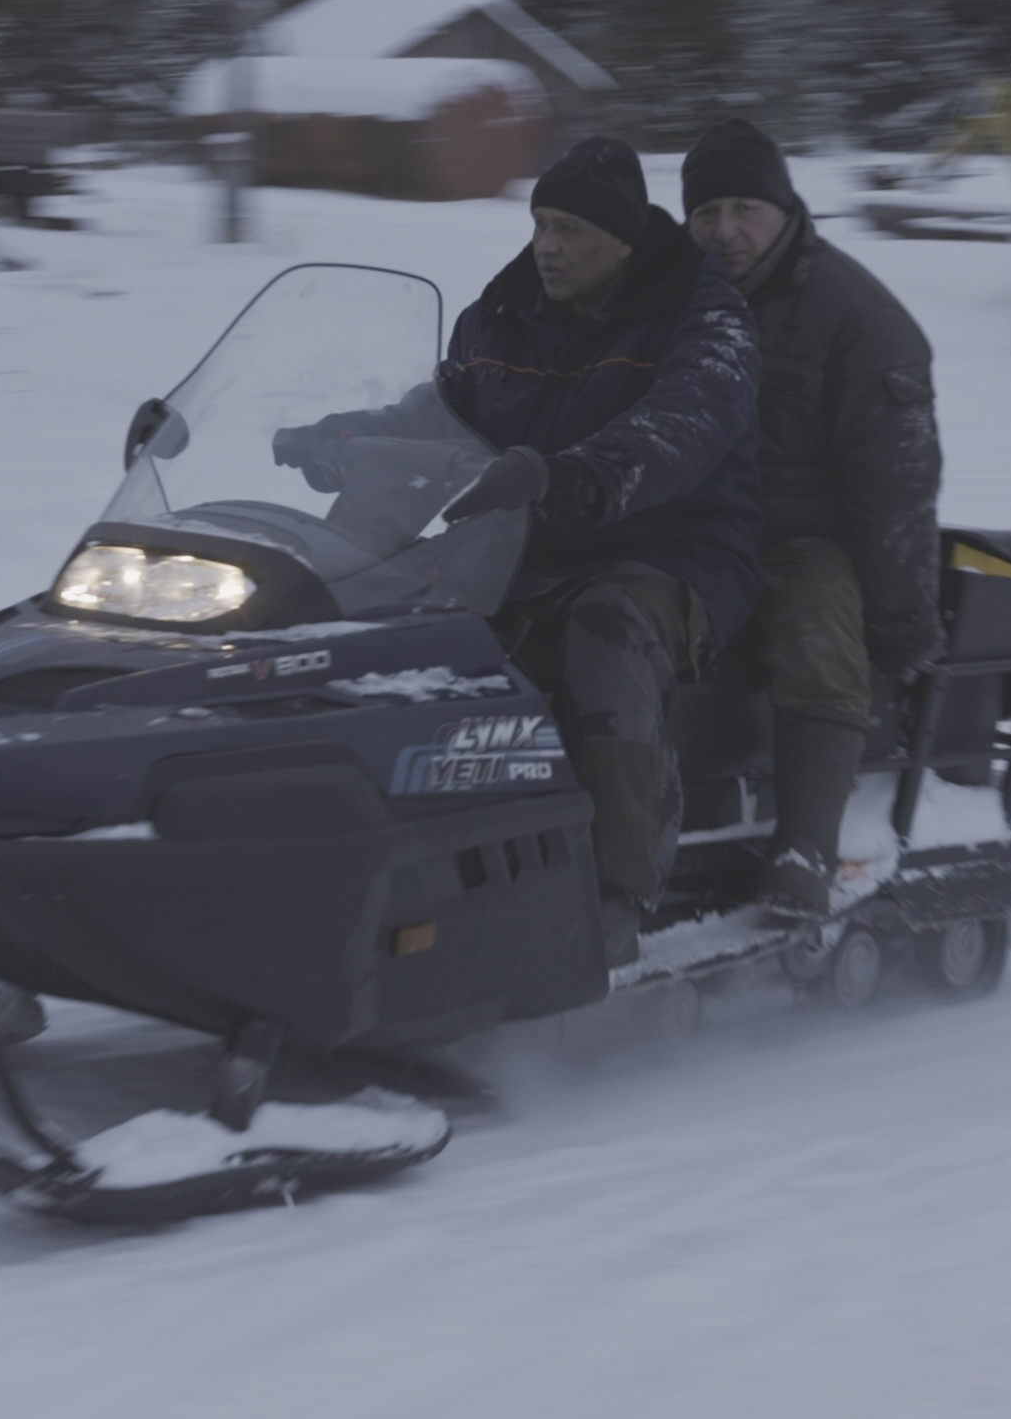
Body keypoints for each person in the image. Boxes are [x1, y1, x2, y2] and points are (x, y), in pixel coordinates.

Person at [276, 136, 759, 966]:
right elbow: (439, 410)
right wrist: (340, 438)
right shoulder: (503, 314)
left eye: (570, 229)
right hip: (520, 538)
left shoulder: (705, 318)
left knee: (603, 629)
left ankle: (616, 894)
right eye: (540, 224)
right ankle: (338, 839)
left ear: (624, 241)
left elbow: (683, 422)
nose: (547, 246)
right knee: (370, 607)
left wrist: (579, 473)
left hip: (670, 551)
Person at [676, 117, 941, 916]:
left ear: (784, 209)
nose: (724, 230)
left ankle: (803, 848)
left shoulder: (857, 317)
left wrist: (899, 628)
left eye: (743, 209)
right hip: (690, 532)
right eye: (705, 212)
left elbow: (895, 487)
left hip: (799, 540)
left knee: (816, 629)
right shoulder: (667, 298)